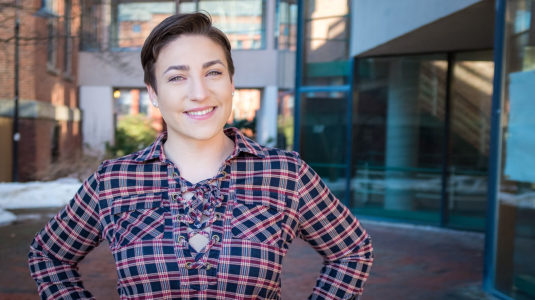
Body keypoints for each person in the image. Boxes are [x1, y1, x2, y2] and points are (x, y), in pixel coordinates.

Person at [28, 12, 373, 299]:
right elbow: (48, 255)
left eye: (213, 72)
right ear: (154, 93)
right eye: (177, 77)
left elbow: (351, 250)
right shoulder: (113, 180)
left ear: (232, 82)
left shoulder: (285, 173)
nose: (199, 92)